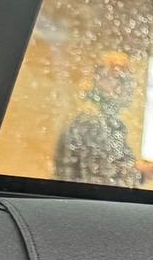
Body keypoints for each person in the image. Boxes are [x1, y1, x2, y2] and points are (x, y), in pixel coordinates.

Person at [55, 53, 140, 187]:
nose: (127, 87)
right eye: (120, 78)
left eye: (129, 80)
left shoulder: (110, 123)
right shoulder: (90, 120)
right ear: (100, 79)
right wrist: (139, 172)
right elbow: (99, 178)